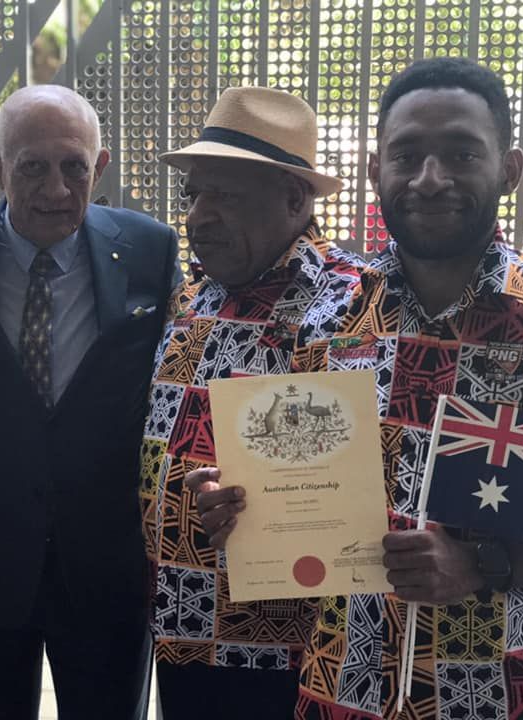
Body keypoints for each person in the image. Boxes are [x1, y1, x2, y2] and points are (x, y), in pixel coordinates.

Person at [189, 58, 523, 719]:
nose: (430, 179)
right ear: (373, 171)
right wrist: (238, 510)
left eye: (461, 154)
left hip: (499, 693)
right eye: (407, 155)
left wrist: (484, 564)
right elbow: (292, 499)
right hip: (342, 691)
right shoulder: (319, 320)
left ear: (510, 169)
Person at [0, 84, 180, 719]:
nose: (56, 189)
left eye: (74, 167)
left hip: (107, 563)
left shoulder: (151, 249)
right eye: (32, 167)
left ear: (99, 167)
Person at [139, 86, 363, 719]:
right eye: (194, 196)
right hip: (181, 623)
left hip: (284, 650)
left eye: (226, 196)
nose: (198, 217)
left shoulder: (353, 307)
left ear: (294, 199)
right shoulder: (194, 298)